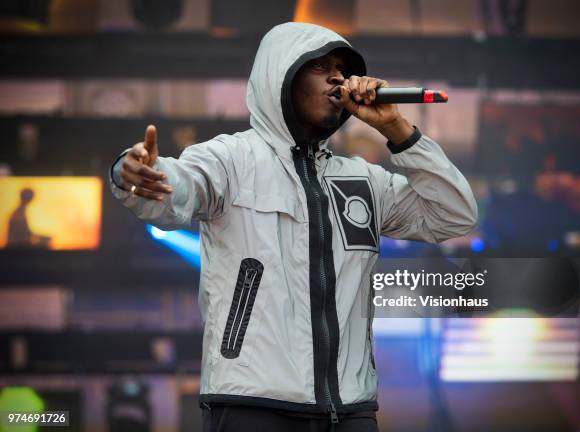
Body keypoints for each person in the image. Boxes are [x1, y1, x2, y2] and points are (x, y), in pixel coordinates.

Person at [109, 22, 477, 432]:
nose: (339, 77)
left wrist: (395, 129)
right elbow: (174, 189)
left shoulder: (364, 180)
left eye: (342, 68)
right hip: (254, 404)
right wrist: (136, 173)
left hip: (351, 409)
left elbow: (454, 214)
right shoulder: (232, 160)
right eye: (321, 67)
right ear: (281, 78)